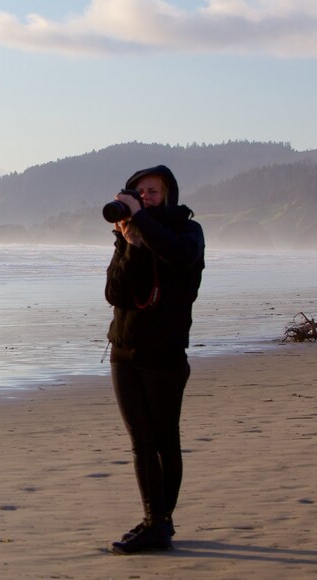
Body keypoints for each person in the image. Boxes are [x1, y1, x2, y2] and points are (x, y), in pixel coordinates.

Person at [104, 165, 204, 555]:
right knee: (140, 441)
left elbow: (180, 257)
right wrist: (129, 245)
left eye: (152, 192)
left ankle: (158, 522)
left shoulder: (187, 230)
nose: (144, 197)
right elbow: (115, 293)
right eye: (138, 192)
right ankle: (155, 520)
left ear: (169, 195)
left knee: (164, 438)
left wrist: (143, 223)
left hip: (164, 351)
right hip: (125, 350)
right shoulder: (131, 235)